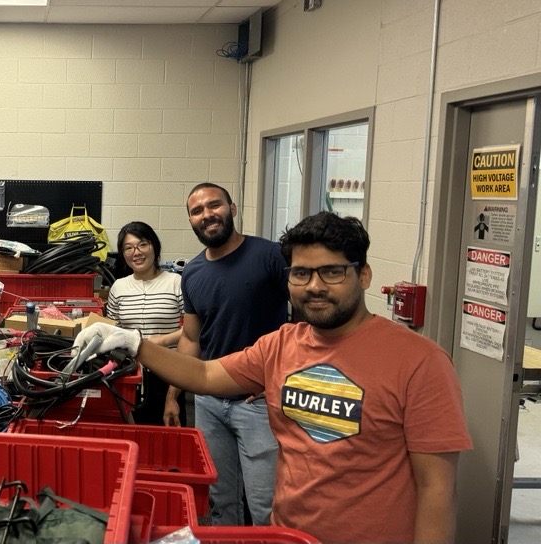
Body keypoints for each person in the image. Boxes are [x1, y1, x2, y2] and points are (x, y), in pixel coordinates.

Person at [75, 211, 473, 543]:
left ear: (363, 275)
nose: (314, 286)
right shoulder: (282, 344)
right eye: (301, 274)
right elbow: (206, 373)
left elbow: (437, 491)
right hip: (288, 535)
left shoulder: (420, 361)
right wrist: (134, 342)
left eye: (332, 272)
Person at [166, 182, 289, 525]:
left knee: (265, 503)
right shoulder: (191, 272)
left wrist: (281, 378)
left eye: (214, 205)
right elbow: (192, 338)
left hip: (258, 402)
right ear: (191, 220)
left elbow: (307, 323)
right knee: (220, 500)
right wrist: (174, 395)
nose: (207, 215)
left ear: (232, 208)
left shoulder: (270, 255)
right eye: (197, 210)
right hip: (208, 400)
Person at [105, 221, 185, 425]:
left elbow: (193, 331)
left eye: (142, 245)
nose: (136, 253)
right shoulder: (118, 287)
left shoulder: (176, 283)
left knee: (168, 442)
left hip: (169, 374)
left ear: (154, 247)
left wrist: (161, 341)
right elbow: (112, 330)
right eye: (128, 248)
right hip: (130, 375)